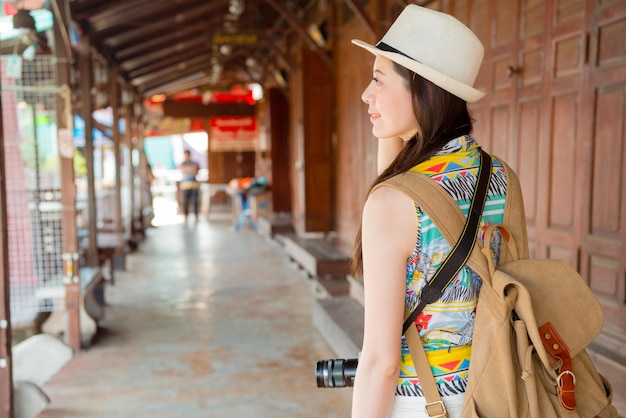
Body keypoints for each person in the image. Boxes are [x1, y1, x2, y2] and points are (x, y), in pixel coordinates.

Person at [350, 5, 525, 418]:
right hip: (499, 391)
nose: (365, 94)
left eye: (377, 80)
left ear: (423, 90)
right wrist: (394, 124)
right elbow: (401, 179)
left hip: (422, 404)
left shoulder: (392, 204)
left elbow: (382, 361)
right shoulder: (500, 175)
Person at [179, 150, 200, 223]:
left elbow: (195, 172)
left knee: (195, 202)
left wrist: (188, 170)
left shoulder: (194, 163)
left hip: (193, 185)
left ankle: (196, 216)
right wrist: (190, 170)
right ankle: (185, 216)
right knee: (185, 202)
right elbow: (182, 171)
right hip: (185, 186)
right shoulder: (182, 164)